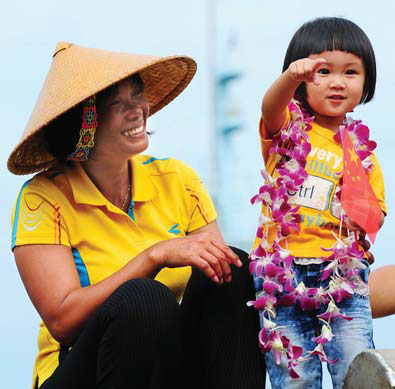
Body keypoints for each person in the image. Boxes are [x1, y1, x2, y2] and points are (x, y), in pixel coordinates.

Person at [9, 42, 266, 389]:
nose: (139, 110)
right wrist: (154, 256)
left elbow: (218, 277)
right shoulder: (43, 198)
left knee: (232, 269)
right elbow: (63, 321)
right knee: (143, 299)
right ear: (84, 123)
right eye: (117, 103)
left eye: (138, 95)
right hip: (81, 370)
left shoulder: (179, 180)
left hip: (166, 368)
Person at [251, 17, 386, 388]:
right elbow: (269, 107)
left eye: (351, 72)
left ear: (366, 82)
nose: (337, 82)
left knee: (356, 365)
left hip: (342, 276)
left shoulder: (363, 153)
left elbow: (375, 214)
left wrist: (364, 221)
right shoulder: (287, 129)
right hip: (283, 274)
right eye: (322, 71)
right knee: (294, 376)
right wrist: (289, 79)